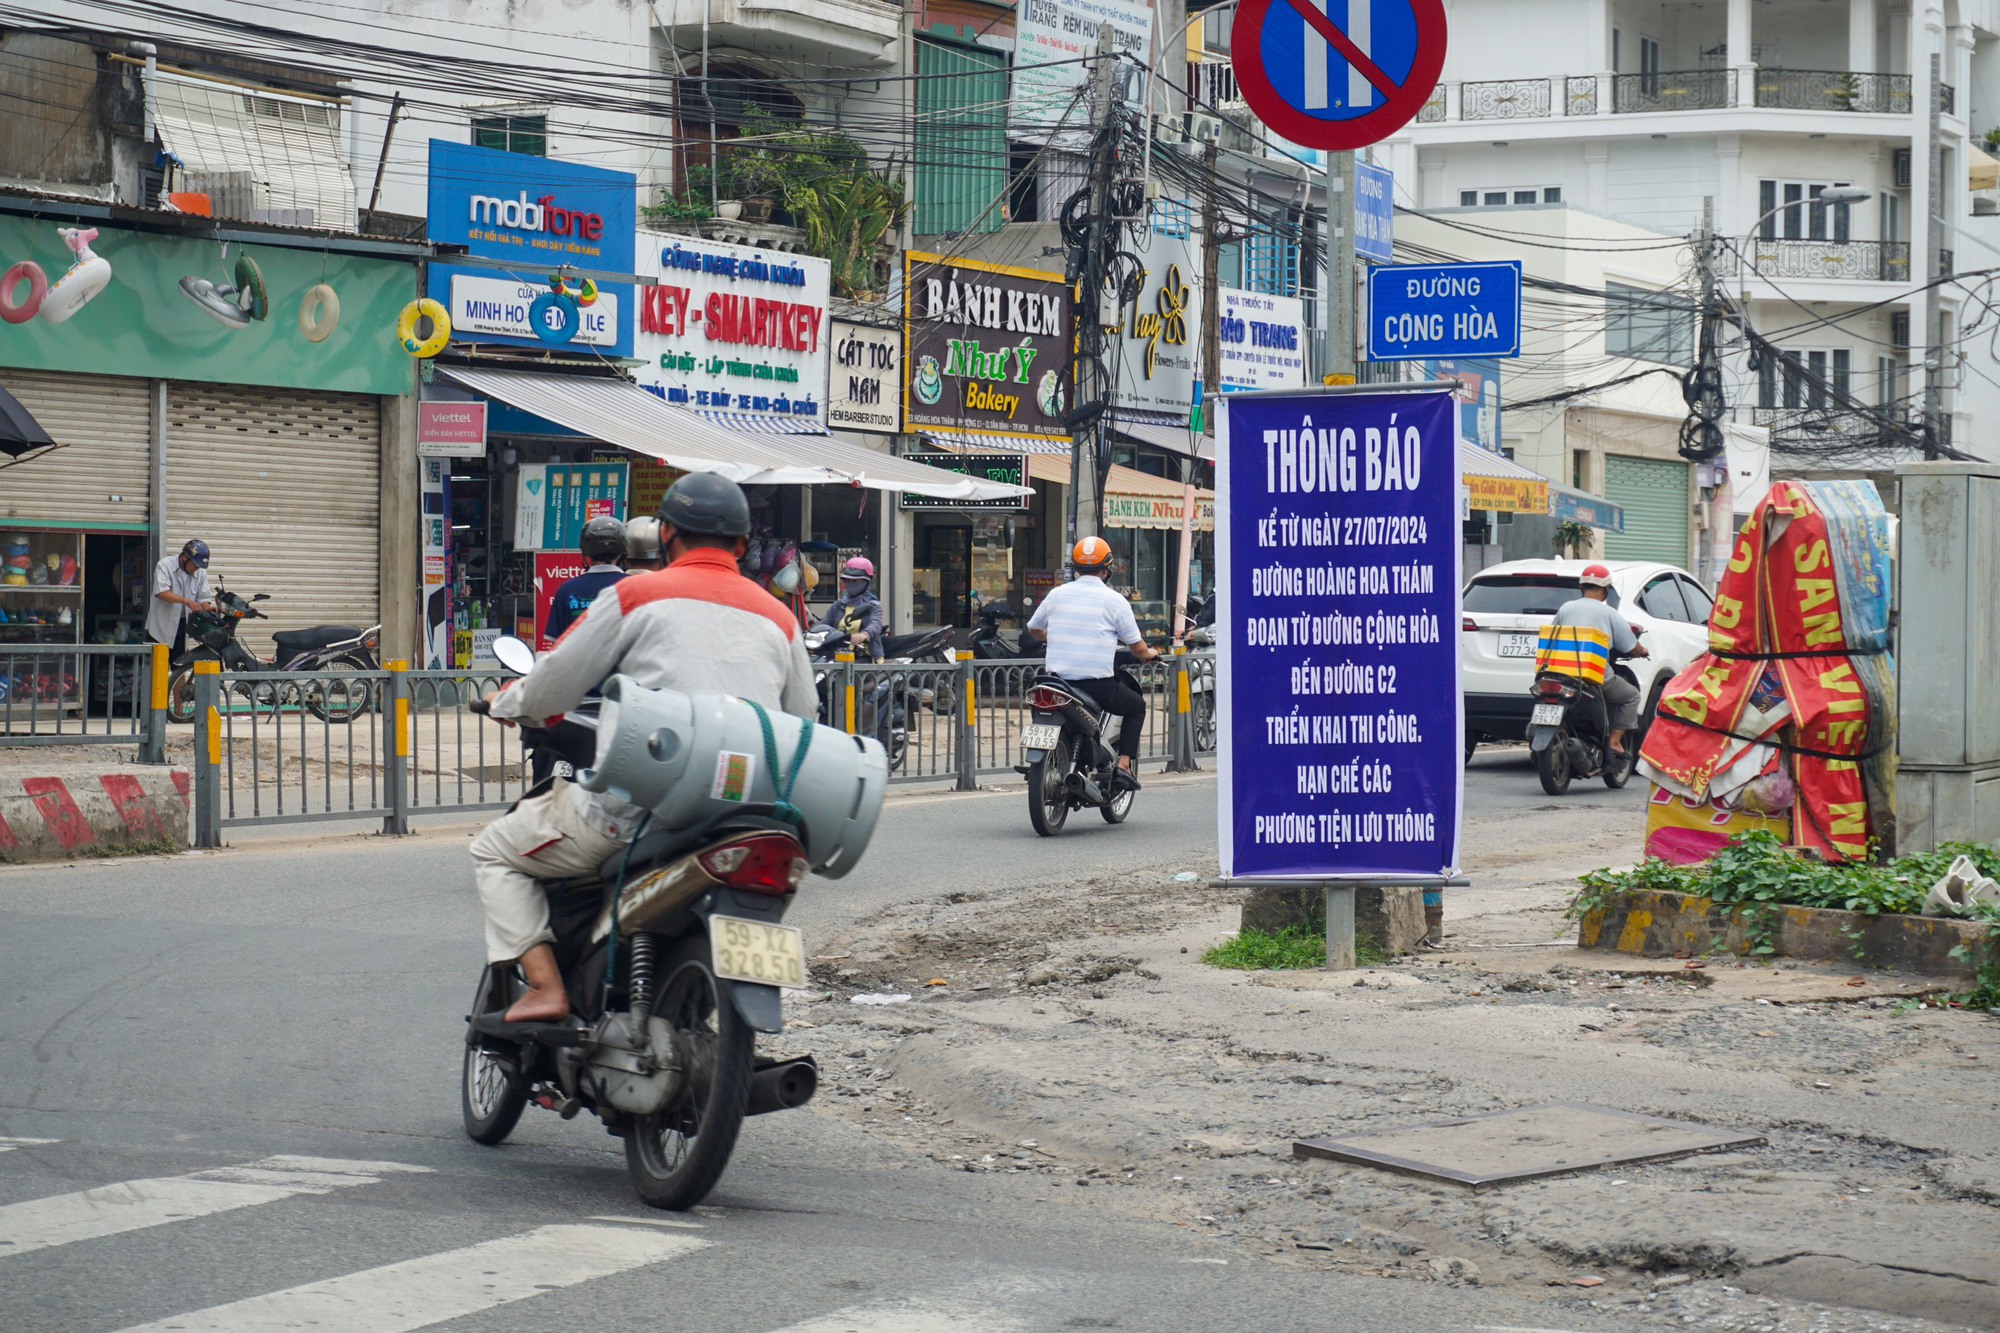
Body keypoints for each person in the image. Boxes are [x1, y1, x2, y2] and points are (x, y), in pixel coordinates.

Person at [473, 474, 817, 1023]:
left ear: (666, 533)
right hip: (743, 814)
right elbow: (804, 720)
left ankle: (544, 987)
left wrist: (509, 703)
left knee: (494, 851)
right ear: (742, 545)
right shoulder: (780, 617)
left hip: (638, 810)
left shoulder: (636, 595)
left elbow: (555, 680)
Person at [1026, 536, 1159, 789]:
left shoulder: (1057, 594)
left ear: (1076, 566)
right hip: (1096, 685)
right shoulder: (1115, 600)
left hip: (1056, 682)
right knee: (1136, 707)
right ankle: (1124, 765)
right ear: (1107, 566)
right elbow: (1137, 647)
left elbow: (1034, 629)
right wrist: (1149, 654)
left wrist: (1055, 636)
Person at [1545, 563, 1649, 756]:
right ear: (1606, 590)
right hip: (1593, 675)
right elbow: (1629, 645)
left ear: (1582, 587)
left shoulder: (1566, 608)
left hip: (1560, 672)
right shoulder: (1609, 613)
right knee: (1631, 695)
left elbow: (1553, 634)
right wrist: (1642, 651)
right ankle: (1615, 742)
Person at [542, 516, 628, 643]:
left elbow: (555, 646)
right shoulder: (636, 587)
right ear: (622, 552)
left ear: (586, 552)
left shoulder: (567, 590)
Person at [148, 539, 214, 662]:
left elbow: (204, 597)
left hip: (182, 627)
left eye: (199, 567)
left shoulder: (201, 572)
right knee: (156, 669)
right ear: (185, 557)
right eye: (195, 566)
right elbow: (161, 592)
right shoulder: (164, 565)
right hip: (160, 626)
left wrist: (207, 609)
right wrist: (187, 601)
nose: (197, 569)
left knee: (179, 667)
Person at [816, 556, 884, 661]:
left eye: (856, 581)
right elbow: (824, 624)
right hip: (836, 654)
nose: (851, 584)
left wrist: (864, 634)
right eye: (848, 581)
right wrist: (811, 632)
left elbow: (876, 624)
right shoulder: (838, 605)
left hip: (864, 656)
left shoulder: (873, 607)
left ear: (867, 582)